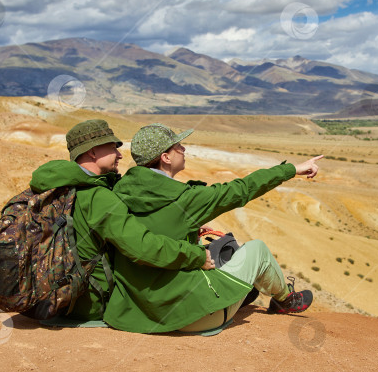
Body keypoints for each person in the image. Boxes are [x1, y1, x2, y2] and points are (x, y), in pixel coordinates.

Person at [104, 123, 323, 334]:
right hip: (189, 317)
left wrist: (189, 228)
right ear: (166, 157)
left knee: (211, 249)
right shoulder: (187, 200)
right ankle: (285, 300)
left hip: (134, 313)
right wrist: (292, 169)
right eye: (177, 146)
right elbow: (242, 190)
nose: (183, 149)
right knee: (257, 250)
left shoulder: (117, 192)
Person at [29, 119, 215, 321]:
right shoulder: (97, 196)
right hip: (88, 304)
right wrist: (195, 256)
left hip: (50, 297)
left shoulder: (57, 186)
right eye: (112, 148)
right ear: (93, 152)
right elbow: (143, 248)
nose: (119, 155)